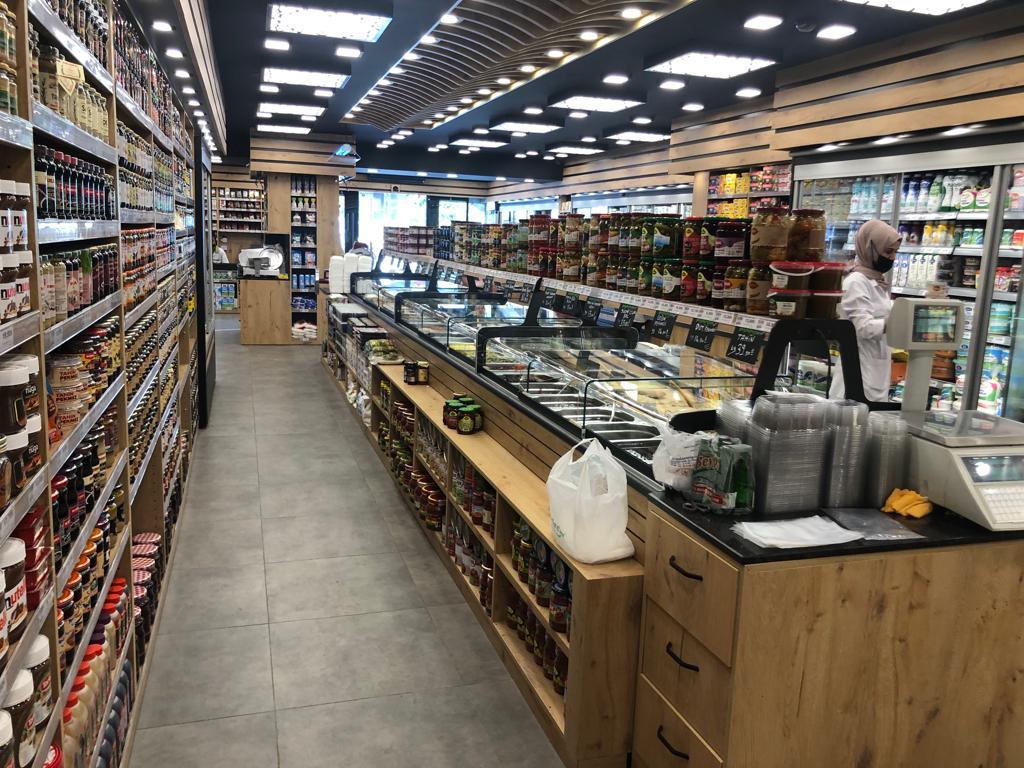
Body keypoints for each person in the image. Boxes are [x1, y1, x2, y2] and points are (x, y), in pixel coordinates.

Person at [829, 219, 902, 402]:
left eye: (895, 252)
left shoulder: (876, 281)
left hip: (875, 372)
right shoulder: (856, 282)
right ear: (870, 248)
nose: (892, 258)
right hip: (858, 372)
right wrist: (895, 321)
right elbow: (863, 327)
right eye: (888, 251)